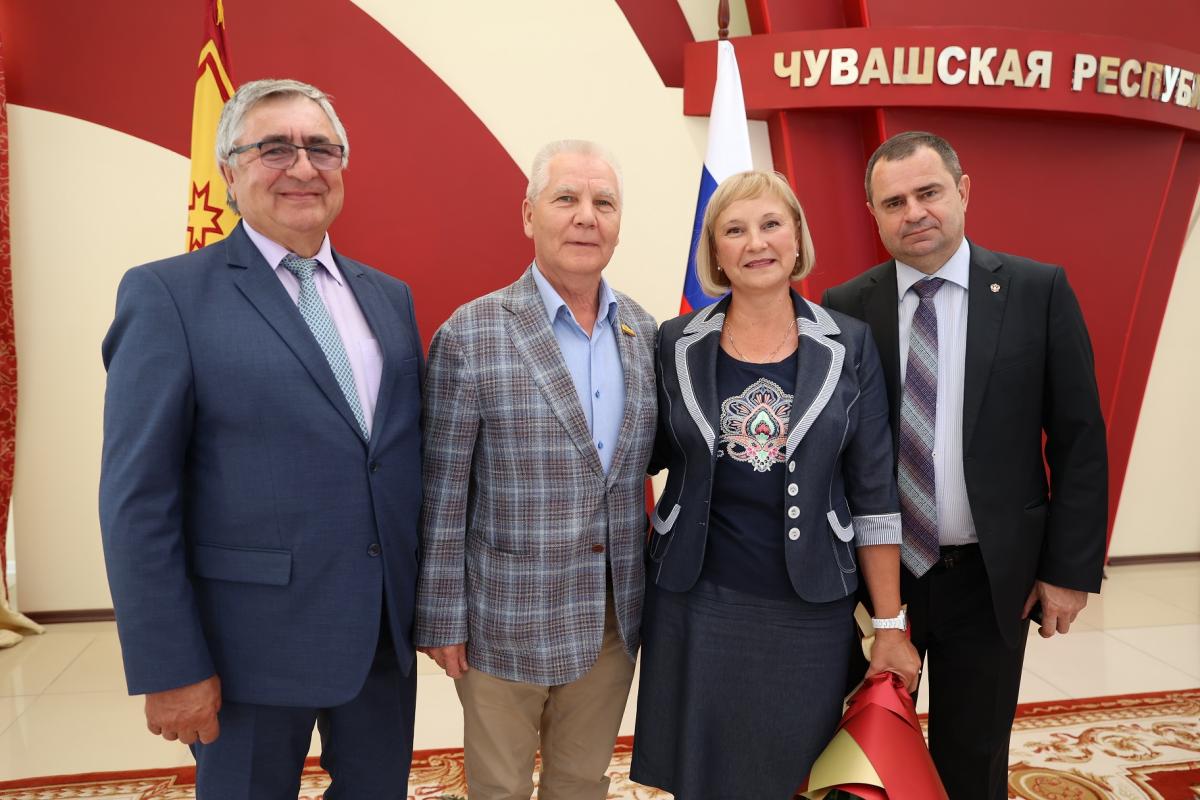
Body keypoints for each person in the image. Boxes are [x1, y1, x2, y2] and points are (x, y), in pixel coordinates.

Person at [99, 78, 424, 799]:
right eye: (275, 149)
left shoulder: (387, 297)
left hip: (380, 641)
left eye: (321, 149)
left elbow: (393, 462)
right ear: (230, 170)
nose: (303, 167)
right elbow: (137, 500)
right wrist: (169, 666)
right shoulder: (168, 296)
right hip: (244, 652)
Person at [822, 130, 1108, 800]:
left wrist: (1067, 571)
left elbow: (1079, 438)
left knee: (973, 761)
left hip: (991, 577)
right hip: (878, 579)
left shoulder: (1036, 290)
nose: (914, 212)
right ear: (873, 214)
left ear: (963, 191)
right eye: (894, 202)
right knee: (862, 757)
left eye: (929, 193)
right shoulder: (845, 306)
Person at [630, 170, 921, 799]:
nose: (756, 242)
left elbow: (874, 493)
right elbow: (640, 454)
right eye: (734, 230)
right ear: (715, 252)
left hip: (807, 609)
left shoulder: (849, 343)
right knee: (702, 777)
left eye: (771, 224)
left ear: (797, 238)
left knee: (796, 777)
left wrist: (890, 624)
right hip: (695, 600)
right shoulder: (675, 342)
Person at [414, 139, 657, 800]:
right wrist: (441, 618)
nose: (586, 217)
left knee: (581, 783)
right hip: (503, 618)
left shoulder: (644, 332)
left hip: (611, 620)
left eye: (604, 203)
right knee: (499, 787)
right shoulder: (472, 334)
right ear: (528, 215)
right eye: (566, 199)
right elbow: (443, 492)